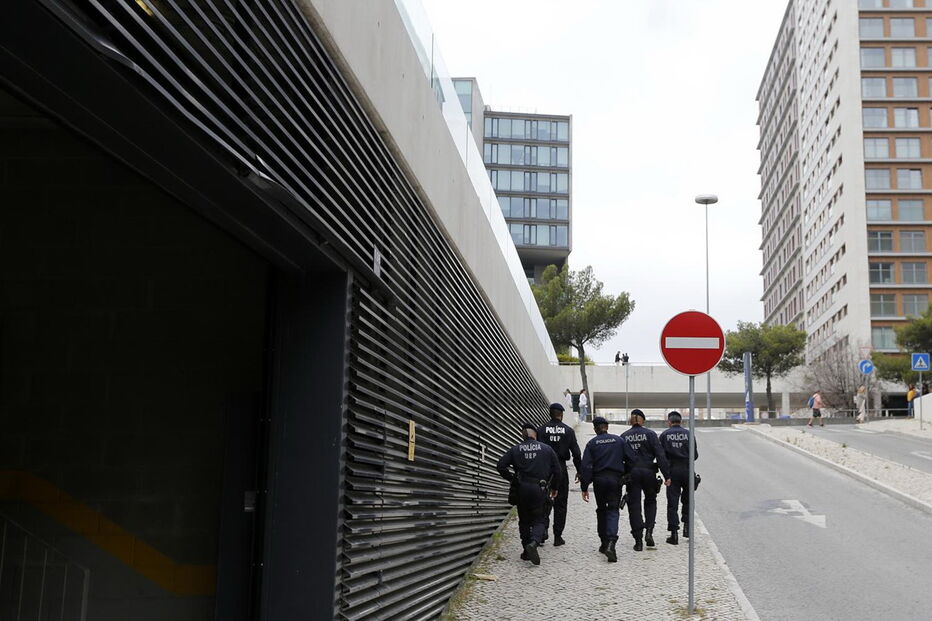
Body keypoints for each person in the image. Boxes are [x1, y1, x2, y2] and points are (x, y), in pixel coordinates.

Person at [497, 422, 562, 565]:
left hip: (522, 488)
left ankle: (526, 551)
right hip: (539, 487)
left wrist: (513, 479)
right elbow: (557, 470)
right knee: (539, 518)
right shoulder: (546, 449)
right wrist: (554, 487)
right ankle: (533, 542)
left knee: (524, 520)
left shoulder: (515, 449)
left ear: (523, 434)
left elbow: (500, 465)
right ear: (535, 434)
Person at [579, 416, 628, 562]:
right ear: (607, 426)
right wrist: (627, 475)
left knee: (601, 511)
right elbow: (631, 458)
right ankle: (611, 543)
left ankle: (603, 542)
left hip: (599, 481)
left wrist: (584, 486)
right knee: (613, 510)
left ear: (595, 429)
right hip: (615, 480)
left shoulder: (592, 443)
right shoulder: (619, 441)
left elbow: (586, 466)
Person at [621, 409, 670, 551]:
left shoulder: (624, 436)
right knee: (650, 501)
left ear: (631, 420)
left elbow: (620, 458)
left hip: (632, 474)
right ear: (642, 420)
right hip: (649, 472)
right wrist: (667, 475)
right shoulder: (650, 434)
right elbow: (660, 456)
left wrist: (621, 477)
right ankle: (649, 531)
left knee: (634, 505)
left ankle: (638, 540)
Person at [537, 403, 582, 546]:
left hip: (544, 469)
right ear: (561, 414)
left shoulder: (541, 430)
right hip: (561, 468)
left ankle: (543, 530)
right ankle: (558, 536)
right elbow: (576, 453)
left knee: (543, 501)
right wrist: (580, 471)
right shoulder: (568, 431)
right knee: (561, 503)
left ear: (549, 414)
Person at [659, 411, 697, 545]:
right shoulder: (688, 434)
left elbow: (661, 457)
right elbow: (695, 455)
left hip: (672, 471)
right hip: (687, 471)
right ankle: (687, 528)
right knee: (688, 501)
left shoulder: (664, 435)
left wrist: (665, 474)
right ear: (681, 421)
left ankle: (674, 534)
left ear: (669, 422)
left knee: (672, 503)